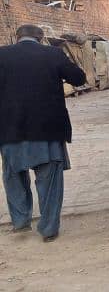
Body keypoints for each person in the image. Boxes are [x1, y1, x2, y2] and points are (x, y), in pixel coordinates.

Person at [0, 25, 86, 242]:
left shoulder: (2, 55)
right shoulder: (52, 54)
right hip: (48, 130)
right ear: (41, 38)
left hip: (10, 129)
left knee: (14, 177)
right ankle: (48, 229)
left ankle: (20, 222)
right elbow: (78, 78)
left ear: (16, 37)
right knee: (49, 181)